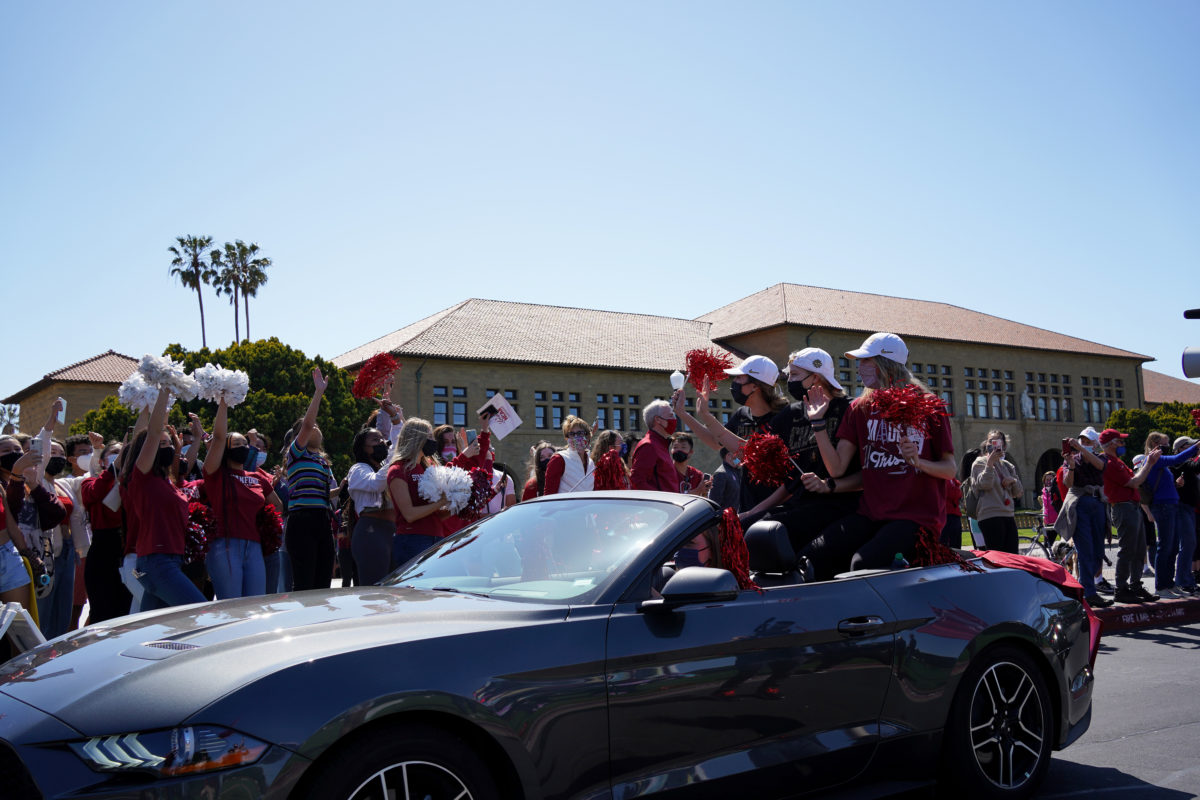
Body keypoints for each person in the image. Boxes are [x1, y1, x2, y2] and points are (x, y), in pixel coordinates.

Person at [801, 332, 956, 578]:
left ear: (886, 365)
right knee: (814, 556)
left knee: (863, 565)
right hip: (871, 514)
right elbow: (837, 469)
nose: (859, 368)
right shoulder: (859, 408)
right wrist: (817, 422)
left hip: (916, 519)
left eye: (865, 361)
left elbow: (949, 469)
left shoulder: (929, 406)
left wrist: (919, 462)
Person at [735, 348, 862, 552]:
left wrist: (817, 422)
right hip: (800, 504)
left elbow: (846, 473)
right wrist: (752, 512)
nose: (789, 381)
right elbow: (788, 480)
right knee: (741, 528)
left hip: (839, 505)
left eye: (795, 375)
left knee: (772, 538)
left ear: (816, 377)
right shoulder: (791, 414)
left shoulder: (849, 409)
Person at [672, 354, 789, 512]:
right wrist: (683, 413)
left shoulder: (783, 417)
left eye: (739, 378)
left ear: (755, 385)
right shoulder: (742, 414)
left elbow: (752, 454)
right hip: (748, 504)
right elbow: (716, 442)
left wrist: (706, 415)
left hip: (778, 507)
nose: (733, 382)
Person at [125, 389, 206, 611]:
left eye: (169, 443)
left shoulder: (169, 482)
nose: (167, 447)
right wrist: (165, 390)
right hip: (155, 562)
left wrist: (180, 447)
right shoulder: (142, 478)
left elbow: (182, 465)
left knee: (158, 631)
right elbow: (152, 433)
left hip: (170, 561)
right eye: (162, 445)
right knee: (199, 612)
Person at [203, 398, 280, 599]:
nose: (243, 447)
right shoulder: (215, 474)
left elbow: (278, 507)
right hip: (225, 544)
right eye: (237, 444)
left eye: (245, 444)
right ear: (226, 450)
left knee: (255, 605)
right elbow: (219, 438)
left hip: (254, 545)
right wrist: (224, 402)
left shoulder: (257, 478)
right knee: (231, 606)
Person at [1072, 428, 1158, 604]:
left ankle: (1134, 585)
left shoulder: (1116, 461)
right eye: (1120, 441)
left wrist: (1147, 464)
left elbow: (1134, 478)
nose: (1123, 444)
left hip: (1130, 506)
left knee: (1139, 549)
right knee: (1127, 549)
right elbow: (1134, 482)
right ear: (1111, 444)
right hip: (1122, 507)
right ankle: (1121, 588)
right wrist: (1149, 463)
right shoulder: (1109, 462)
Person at [284, 368, 340, 591]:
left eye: (318, 426)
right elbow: (307, 424)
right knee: (305, 583)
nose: (314, 427)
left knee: (323, 583)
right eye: (310, 427)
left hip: (322, 521)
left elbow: (324, 495)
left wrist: (344, 487)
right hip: (301, 521)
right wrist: (318, 393)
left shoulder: (323, 462)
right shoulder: (296, 454)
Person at [1056, 426, 1113, 606]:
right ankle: (1088, 592)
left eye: (1088, 442)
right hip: (1080, 505)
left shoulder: (1100, 457)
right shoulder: (1073, 460)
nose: (1084, 444)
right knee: (1085, 551)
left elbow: (1100, 466)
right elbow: (1068, 482)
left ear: (1095, 444)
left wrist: (1081, 450)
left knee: (1098, 552)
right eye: (1082, 441)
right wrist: (1071, 465)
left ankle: (1088, 589)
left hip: (1097, 505)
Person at [1141, 431, 1200, 598]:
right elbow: (1177, 459)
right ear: (1155, 445)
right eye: (1164, 444)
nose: (1167, 447)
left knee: (1172, 547)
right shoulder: (1154, 459)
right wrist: (1196, 447)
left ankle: (1169, 584)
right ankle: (1161, 586)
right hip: (1163, 507)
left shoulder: (1159, 462)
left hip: (1170, 506)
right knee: (1165, 547)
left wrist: (1175, 485)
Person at [346, 413, 402, 586]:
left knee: (394, 592)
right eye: (375, 441)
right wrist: (393, 459)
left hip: (392, 531)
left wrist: (396, 418)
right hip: (371, 533)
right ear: (364, 448)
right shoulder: (358, 470)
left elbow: (399, 442)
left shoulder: (386, 466)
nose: (382, 443)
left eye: (382, 440)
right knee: (374, 591)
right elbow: (376, 484)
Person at [387, 418, 451, 566]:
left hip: (437, 538)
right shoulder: (398, 470)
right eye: (428, 437)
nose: (433, 441)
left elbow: (435, 515)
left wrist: (455, 505)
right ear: (416, 438)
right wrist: (441, 501)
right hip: (412, 540)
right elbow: (409, 514)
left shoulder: (427, 468)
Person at [80, 439, 131, 622]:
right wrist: (113, 470)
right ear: (102, 461)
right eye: (115, 453)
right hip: (102, 549)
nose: (119, 456)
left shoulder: (132, 483)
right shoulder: (90, 482)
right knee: (102, 610)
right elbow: (95, 493)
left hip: (126, 548)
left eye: (123, 453)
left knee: (126, 610)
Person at [969, 430, 1023, 553]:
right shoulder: (979, 463)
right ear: (986, 444)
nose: (993, 444)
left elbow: (1018, 492)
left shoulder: (1008, 465)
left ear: (1003, 445)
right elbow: (984, 484)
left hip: (1008, 515)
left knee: (1013, 557)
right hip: (990, 515)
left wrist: (1013, 480)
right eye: (991, 441)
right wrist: (990, 463)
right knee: (997, 557)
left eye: (998, 441)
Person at [0, 435, 34, 611]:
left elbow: (11, 524)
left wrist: (28, 554)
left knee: (19, 624)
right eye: (6, 450)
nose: (12, 454)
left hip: (8, 555)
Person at [630, 400, 682, 492]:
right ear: (658, 419)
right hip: (659, 505)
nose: (674, 419)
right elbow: (637, 481)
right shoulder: (649, 446)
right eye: (670, 416)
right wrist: (662, 500)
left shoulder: (661, 444)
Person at [543, 416, 595, 494]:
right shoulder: (559, 459)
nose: (576, 437)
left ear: (588, 436)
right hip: (564, 506)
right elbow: (549, 494)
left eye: (580, 433)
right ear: (567, 438)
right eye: (572, 434)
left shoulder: (591, 463)